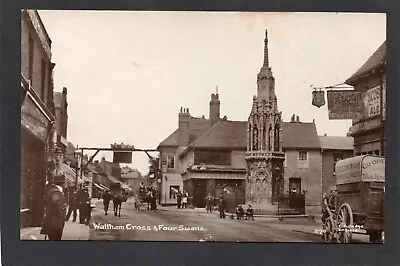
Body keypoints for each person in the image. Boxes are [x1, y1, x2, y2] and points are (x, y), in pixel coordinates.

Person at [41, 174, 67, 240]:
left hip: (53, 221)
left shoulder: (53, 190)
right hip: (55, 222)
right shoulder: (56, 192)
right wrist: (61, 216)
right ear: (62, 183)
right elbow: (56, 205)